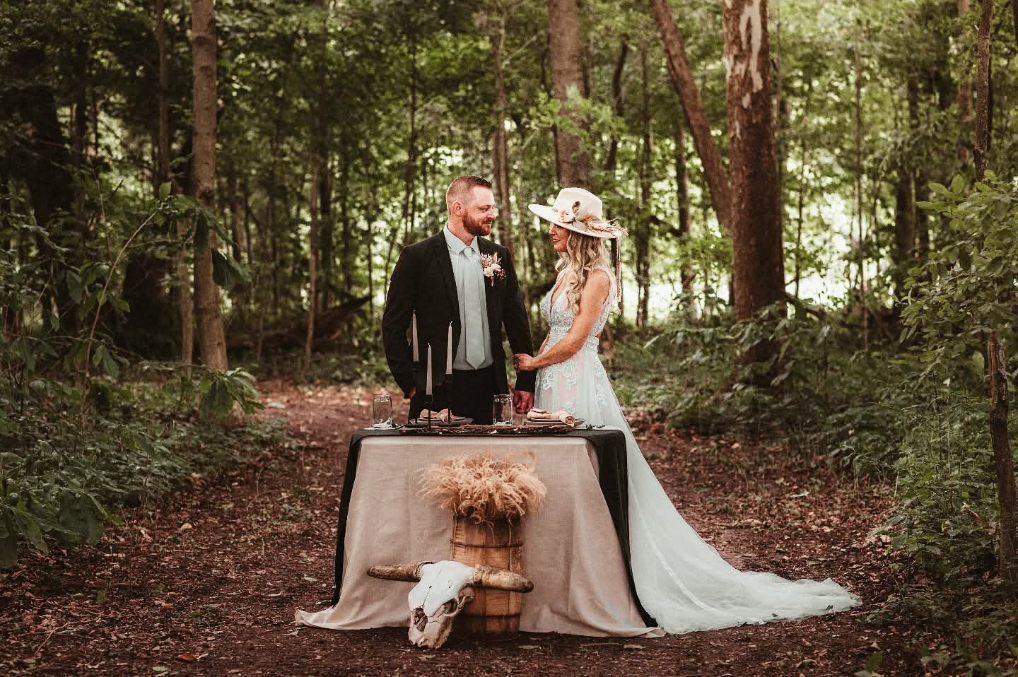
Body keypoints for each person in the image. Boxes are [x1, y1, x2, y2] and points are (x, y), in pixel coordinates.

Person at [514, 187, 859, 633]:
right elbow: (554, 330)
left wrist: (535, 362)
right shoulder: (564, 276)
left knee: (589, 471)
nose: (550, 233)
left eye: (558, 227)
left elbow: (578, 337)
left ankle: (603, 572)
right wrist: (530, 375)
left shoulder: (599, 277)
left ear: (577, 234)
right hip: (550, 380)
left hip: (577, 380)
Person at [382, 175, 535, 424]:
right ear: (458, 209)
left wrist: (526, 381)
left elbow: (516, 320)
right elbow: (392, 325)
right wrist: (411, 383)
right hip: (436, 387)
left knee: (489, 461)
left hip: (490, 386)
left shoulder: (499, 256)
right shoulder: (417, 257)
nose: (492, 214)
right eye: (484, 208)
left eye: (493, 207)